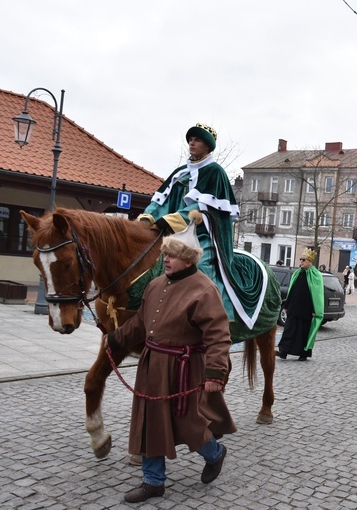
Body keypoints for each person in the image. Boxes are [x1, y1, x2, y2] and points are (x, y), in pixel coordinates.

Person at [104, 224, 236, 503]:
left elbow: (219, 335)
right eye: (165, 254)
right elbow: (141, 323)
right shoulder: (154, 285)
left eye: (172, 255)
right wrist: (115, 339)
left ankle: (214, 453)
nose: (166, 259)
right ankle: (153, 482)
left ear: (188, 259)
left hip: (185, 368)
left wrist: (215, 372)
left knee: (190, 424)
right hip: (152, 366)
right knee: (149, 422)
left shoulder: (204, 290)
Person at [135, 123, 264, 331]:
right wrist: (148, 217)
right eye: (190, 140)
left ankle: (215, 318)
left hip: (203, 236)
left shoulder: (215, 172)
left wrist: (169, 221)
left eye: (198, 140)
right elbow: (161, 200)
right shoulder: (180, 172)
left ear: (208, 146)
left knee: (201, 267)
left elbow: (202, 208)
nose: (192, 143)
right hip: (170, 235)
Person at [276, 248, 324, 361]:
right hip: (294, 308)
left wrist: (315, 310)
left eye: (304, 260)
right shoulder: (297, 273)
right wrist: (287, 305)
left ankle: (304, 353)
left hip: (306, 310)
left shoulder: (316, 275)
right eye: (301, 259)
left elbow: (317, 295)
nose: (301, 261)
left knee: (304, 332)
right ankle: (283, 351)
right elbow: (292, 290)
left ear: (310, 261)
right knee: (288, 329)